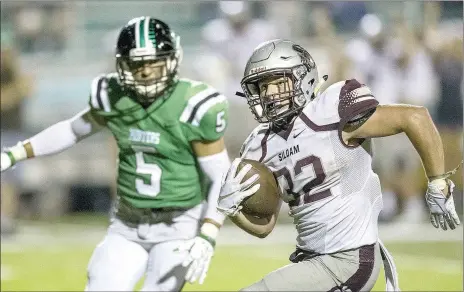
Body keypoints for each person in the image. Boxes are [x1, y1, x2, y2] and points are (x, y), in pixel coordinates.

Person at [0, 17, 231, 291]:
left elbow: (221, 174)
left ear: (172, 60)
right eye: (136, 63)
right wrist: (14, 154)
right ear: (122, 64)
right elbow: (72, 130)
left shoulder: (193, 105)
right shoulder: (114, 96)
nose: (145, 72)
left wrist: (208, 232)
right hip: (128, 225)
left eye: (153, 62)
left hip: (178, 225)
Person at [217, 39, 460, 291]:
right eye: (263, 86)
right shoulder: (259, 145)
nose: (270, 94)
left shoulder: (330, 110)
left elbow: (415, 117)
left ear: (304, 78)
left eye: (279, 83)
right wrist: (233, 210)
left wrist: (437, 181)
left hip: (348, 259)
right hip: (313, 259)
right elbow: (266, 226)